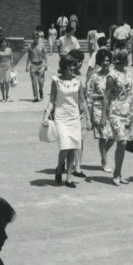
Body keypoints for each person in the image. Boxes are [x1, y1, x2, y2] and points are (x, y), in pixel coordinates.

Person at [44, 54, 89, 187]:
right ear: (64, 67)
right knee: (65, 147)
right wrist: (46, 114)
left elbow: (82, 100)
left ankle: (69, 178)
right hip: (61, 118)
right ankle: (59, 168)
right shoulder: (56, 81)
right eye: (71, 66)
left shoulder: (77, 81)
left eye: (74, 65)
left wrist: (88, 117)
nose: (74, 68)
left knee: (73, 147)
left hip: (74, 117)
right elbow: (52, 100)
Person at [100, 48, 133, 186]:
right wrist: (103, 115)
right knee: (122, 141)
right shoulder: (111, 76)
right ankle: (116, 173)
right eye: (125, 59)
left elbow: (131, 94)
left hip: (128, 111)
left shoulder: (128, 74)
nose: (126, 61)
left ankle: (119, 172)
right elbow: (106, 96)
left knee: (124, 142)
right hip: (115, 112)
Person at [86, 48, 115, 171]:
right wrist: (99, 97)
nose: (105, 63)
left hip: (112, 108)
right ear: (99, 62)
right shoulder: (95, 76)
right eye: (103, 60)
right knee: (103, 136)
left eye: (107, 60)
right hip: (98, 108)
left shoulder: (114, 75)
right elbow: (89, 93)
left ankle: (103, 155)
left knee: (113, 136)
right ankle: (105, 161)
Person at [70, 48, 88, 178]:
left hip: (80, 112)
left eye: (81, 61)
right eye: (77, 61)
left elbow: (82, 97)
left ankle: (77, 167)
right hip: (69, 112)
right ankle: (66, 163)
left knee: (80, 140)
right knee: (69, 140)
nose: (80, 63)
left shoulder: (80, 75)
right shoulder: (66, 75)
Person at [25, 30, 48, 101]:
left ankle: (41, 90)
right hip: (33, 65)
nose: (36, 39)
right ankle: (35, 97)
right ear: (33, 38)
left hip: (40, 65)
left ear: (38, 38)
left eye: (37, 38)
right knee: (34, 82)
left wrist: (46, 64)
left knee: (41, 82)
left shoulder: (42, 45)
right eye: (34, 38)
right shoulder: (30, 46)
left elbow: (45, 55)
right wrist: (27, 66)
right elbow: (28, 57)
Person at [0, 36, 14, 102]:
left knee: (7, 82)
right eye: (3, 42)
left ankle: (7, 95)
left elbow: (11, 59)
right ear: (1, 43)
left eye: (5, 42)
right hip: (1, 68)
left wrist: (13, 68)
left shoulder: (9, 49)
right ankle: (3, 96)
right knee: (1, 83)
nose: (4, 43)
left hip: (8, 67)